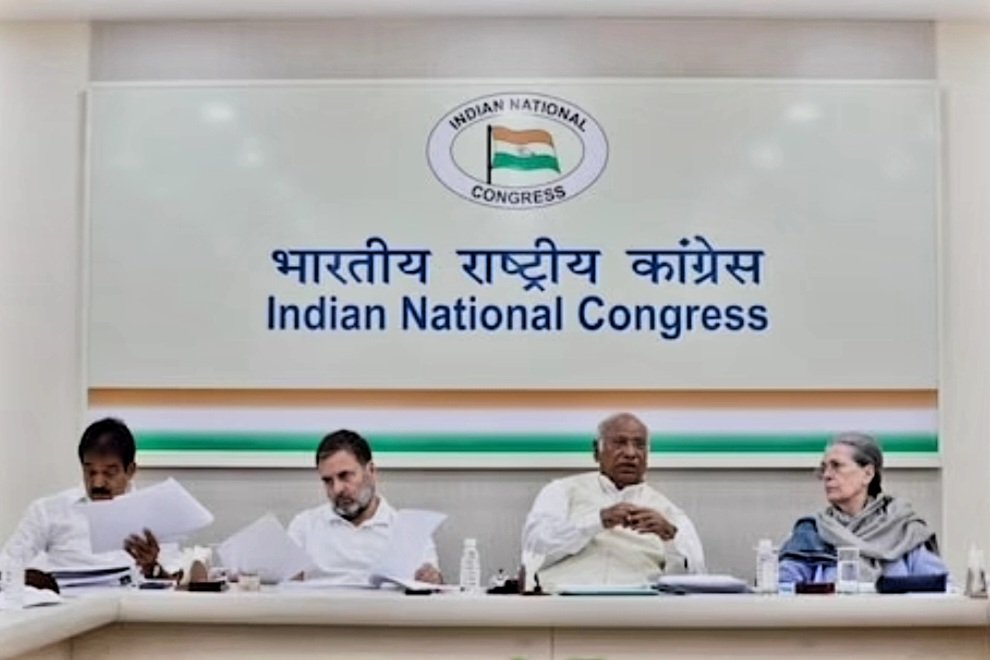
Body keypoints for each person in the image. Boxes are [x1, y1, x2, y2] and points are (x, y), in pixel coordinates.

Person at [521, 413, 705, 589]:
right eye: (619, 443)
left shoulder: (669, 513)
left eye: (639, 445)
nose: (630, 453)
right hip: (562, 601)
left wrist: (670, 538)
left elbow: (695, 579)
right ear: (597, 451)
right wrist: (598, 521)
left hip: (642, 605)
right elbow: (534, 550)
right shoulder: (562, 491)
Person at [0, 418, 178, 579]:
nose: (97, 483)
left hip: (131, 602)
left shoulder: (155, 515)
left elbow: (174, 581)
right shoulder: (48, 510)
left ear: (130, 471)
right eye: (90, 472)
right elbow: (8, 562)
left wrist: (152, 567)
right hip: (65, 602)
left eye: (109, 473)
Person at [778, 432, 947, 584]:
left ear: (868, 474)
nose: (827, 475)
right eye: (824, 468)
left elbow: (942, 587)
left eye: (837, 466)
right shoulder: (812, 532)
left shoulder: (902, 529)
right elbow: (783, 587)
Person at [288, 429, 442, 585]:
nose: (337, 489)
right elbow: (284, 588)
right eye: (328, 481)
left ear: (371, 471)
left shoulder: (409, 531)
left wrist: (432, 580)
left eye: (345, 476)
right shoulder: (305, 526)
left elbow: (431, 589)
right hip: (317, 601)